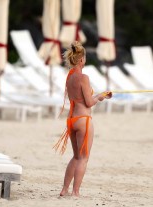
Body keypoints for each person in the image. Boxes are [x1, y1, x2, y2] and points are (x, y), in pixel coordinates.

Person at [53, 41, 112, 197]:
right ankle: (75, 192)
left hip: (72, 120)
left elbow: (78, 99)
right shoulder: (83, 77)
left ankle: (64, 189)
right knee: (84, 158)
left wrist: (100, 95)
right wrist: (100, 96)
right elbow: (88, 102)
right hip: (83, 119)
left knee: (76, 156)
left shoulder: (70, 77)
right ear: (81, 60)